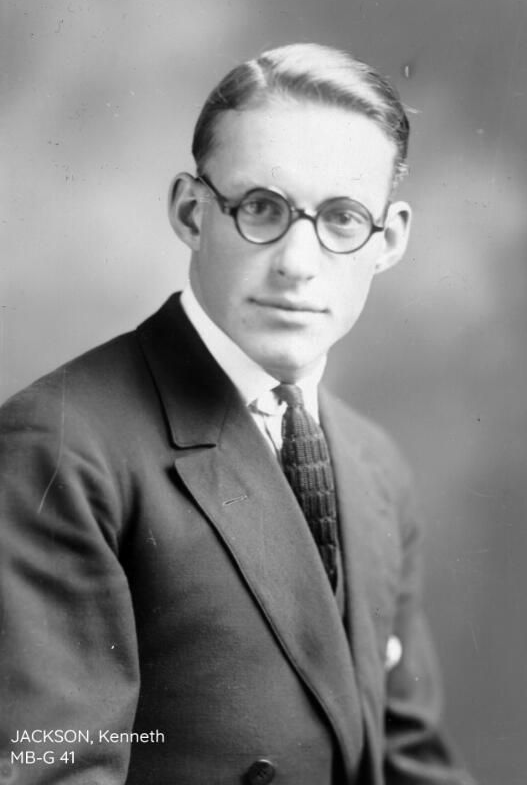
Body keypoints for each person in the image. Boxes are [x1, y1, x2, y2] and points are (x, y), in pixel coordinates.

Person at [0, 43, 473, 785]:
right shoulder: (60, 445)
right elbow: (49, 769)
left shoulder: (373, 463)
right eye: (261, 209)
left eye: (342, 218)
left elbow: (409, 762)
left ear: (387, 241)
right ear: (191, 213)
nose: (296, 263)